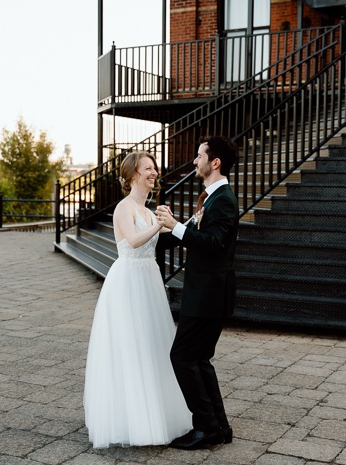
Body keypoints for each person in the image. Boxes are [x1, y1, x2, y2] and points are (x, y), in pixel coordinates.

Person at [83, 151, 192, 448]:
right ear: (133, 175)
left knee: (154, 344)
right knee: (131, 346)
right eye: (148, 168)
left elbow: (159, 240)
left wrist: (186, 225)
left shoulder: (148, 210)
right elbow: (132, 241)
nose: (154, 172)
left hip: (149, 280)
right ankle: (132, 420)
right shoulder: (124, 208)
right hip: (128, 281)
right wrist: (161, 225)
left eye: (154, 168)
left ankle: (159, 415)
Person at [155, 135, 238, 450]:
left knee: (183, 356)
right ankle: (219, 426)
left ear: (214, 162)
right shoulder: (211, 198)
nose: (194, 161)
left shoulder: (224, 199)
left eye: (199, 155)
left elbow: (214, 243)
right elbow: (188, 234)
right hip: (206, 293)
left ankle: (206, 428)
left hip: (209, 295)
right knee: (199, 359)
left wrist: (176, 225)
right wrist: (151, 237)